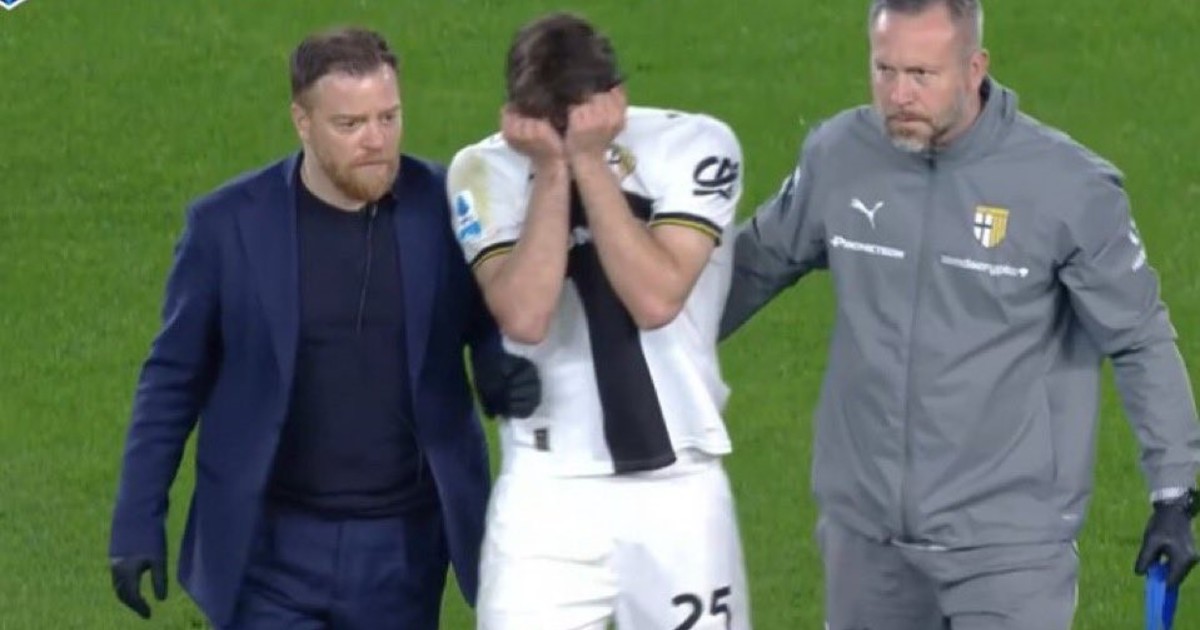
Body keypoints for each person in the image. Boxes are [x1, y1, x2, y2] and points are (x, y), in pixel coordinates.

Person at [719, 0, 1200, 628]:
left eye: (921, 74)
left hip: (1009, 551)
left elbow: (1139, 340)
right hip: (866, 541)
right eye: (885, 69)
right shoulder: (840, 156)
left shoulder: (1066, 187)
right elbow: (750, 267)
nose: (899, 95)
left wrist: (1173, 491)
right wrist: (636, 336)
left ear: (975, 68)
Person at [107, 26, 539, 629]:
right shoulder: (225, 228)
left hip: (405, 548)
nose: (376, 140)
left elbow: (486, 320)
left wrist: (496, 368)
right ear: (302, 122)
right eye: (350, 124)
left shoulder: (447, 206)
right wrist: (136, 521)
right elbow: (172, 381)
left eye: (388, 117)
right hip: (269, 546)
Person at [446, 11, 752, 630]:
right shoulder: (480, 169)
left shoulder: (696, 144)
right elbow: (525, 315)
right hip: (546, 491)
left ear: (615, 99)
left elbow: (656, 297)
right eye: (545, 127)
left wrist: (591, 161)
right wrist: (553, 171)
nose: (560, 138)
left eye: (575, 123)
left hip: (678, 491)